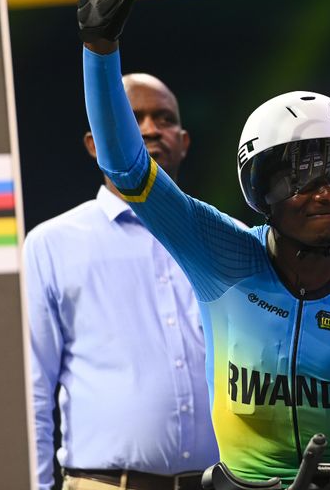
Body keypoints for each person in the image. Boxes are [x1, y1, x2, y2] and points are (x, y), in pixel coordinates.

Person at [76, 0, 330, 488]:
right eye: (305, 174)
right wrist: (100, 49)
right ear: (259, 188)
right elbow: (126, 169)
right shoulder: (217, 252)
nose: (329, 191)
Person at [24, 70, 219, 490]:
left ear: (183, 142)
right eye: (132, 118)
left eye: (164, 118)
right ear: (95, 146)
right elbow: (34, 390)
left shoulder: (223, 239)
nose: (149, 129)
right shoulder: (52, 244)